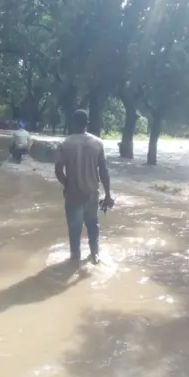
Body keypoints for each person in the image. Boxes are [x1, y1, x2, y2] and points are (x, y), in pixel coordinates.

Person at [54, 109, 113, 264]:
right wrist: (108, 194)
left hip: (73, 194)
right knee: (93, 224)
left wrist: (68, 184)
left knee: (74, 228)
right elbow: (104, 171)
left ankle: (75, 257)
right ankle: (95, 254)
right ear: (87, 123)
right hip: (92, 193)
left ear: (73, 123)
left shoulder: (65, 144)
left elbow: (58, 171)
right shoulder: (98, 143)